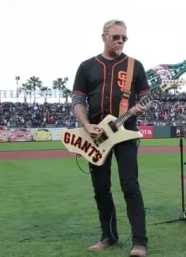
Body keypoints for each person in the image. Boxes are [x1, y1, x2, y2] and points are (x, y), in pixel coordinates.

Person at [71, 19, 151, 257]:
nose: (120, 41)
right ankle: (108, 236)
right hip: (97, 136)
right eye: (116, 37)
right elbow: (78, 101)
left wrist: (141, 107)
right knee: (101, 188)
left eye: (124, 38)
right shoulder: (87, 66)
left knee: (130, 185)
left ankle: (139, 241)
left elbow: (147, 97)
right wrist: (86, 125)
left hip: (125, 133)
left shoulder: (135, 66)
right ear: (104, 36)